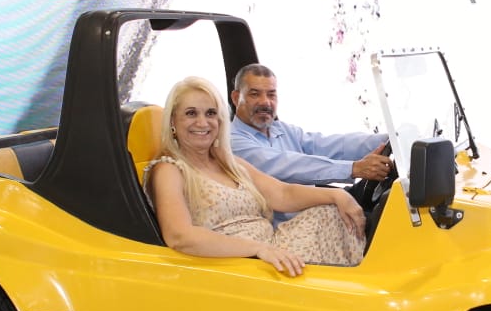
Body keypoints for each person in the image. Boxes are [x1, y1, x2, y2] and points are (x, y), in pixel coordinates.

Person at [146, 76, 366, 276]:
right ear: (172, 121)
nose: (203, 123)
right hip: (241, 266)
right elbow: (180, 236)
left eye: (210, 113)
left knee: (336, 214)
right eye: (191, 113)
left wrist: (337, 196)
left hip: (272, 246)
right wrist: (258, 249)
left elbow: (282, 194)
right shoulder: (169, 169)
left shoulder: (229, 163)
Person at [230, 63, 390, 185]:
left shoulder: (282, 130)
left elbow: (329, 145)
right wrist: (353, 168)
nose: (265, 102)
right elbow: (288, 165)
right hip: (285, 219)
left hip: (314, 208)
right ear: (236, 98)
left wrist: (389, 139)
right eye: (255, 94)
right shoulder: (232, 141)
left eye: (271, 95)